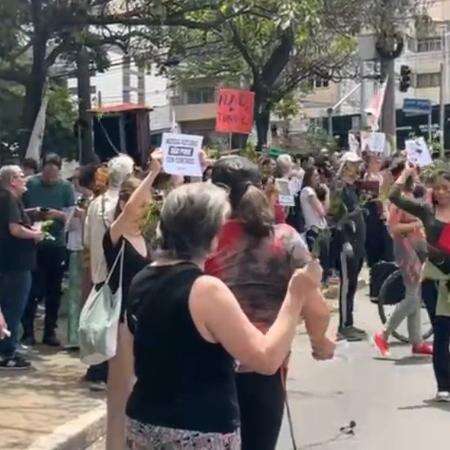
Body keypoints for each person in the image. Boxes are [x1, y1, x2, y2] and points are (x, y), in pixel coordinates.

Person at [125, 182, 323, 449]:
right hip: (196, 430)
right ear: (211, 233)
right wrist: (295, 294)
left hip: (144, 424)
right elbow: (265, 359)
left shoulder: (143, 278)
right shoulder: (205, 290)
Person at [206, 156, 334, 450]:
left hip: (207, 371)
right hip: (265, 371)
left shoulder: (199, 240)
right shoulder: (286, 239)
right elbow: (316, 307)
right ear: (262, 188)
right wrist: (319, 342)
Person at [103, 157, 161, 450]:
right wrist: (152, 174)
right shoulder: (115, 234)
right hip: (121, 322)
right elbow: (127, 212)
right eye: (143, 201)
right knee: (121, 395)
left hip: (143, 322)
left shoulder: (146, 238)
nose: (147, 207)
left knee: (140, 394)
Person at [389, 165, 450, 402]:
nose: (442, 192)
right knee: (442, 333)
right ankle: (444, 385)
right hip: (434, 281)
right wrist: (406, 174)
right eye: (438, 188)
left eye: (446, 188)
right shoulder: (426, 210)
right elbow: (393, 197)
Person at [83, 155, 134, 387]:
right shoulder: (123, 206)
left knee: (102, 318)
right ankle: (105, 370)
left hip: (98, 269)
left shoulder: (95, 203)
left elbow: (86, 240)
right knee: (113, 321)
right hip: (116, 271)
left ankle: (97, 368)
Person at [374, 172, 432, 357]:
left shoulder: (410, 199)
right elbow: (393, 227)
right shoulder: (399, 202)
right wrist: (417, 224)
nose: (418, 181)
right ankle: (383, 334)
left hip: (416, 249)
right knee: (413, 297)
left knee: (415, 294)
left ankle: (417, 342)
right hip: (406, 250)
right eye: (415, 178)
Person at [0, 166, 43, 369]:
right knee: (13, 309)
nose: (25, 179)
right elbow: (14, 229)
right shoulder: (8, 198)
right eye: (21, 176)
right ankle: (7, 352)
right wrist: (35, 234)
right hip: (15, 264)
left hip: (7, 263)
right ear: (12, 181)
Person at [330, 152, 367, 342]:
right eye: (353, 164)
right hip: (347, 243)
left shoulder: (353, 188)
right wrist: (344, 240)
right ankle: (343, 326)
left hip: (358, 242)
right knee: (346, 286)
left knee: (352, 286)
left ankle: (349, 323)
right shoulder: (339, 189)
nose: (357, 167)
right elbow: (335, 217)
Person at [64, 168, 92, 350]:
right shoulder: (73, 200)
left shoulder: (98, 199)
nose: (74, 182)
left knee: (91, 295)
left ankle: (89, 337)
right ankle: (74, 337)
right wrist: (75, 216)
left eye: (76, 179)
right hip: (77, 248)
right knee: (75, 294)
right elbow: (69, 226)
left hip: (93, 251)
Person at [300, 166, 330, 276]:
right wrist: (327, 193)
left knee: (324, 266)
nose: (318, 178)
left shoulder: (313, 192)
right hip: (315, 232)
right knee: (317, 267)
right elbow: (323, 211)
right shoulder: (308, 191)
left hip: (321, 231)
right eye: (315, 176)